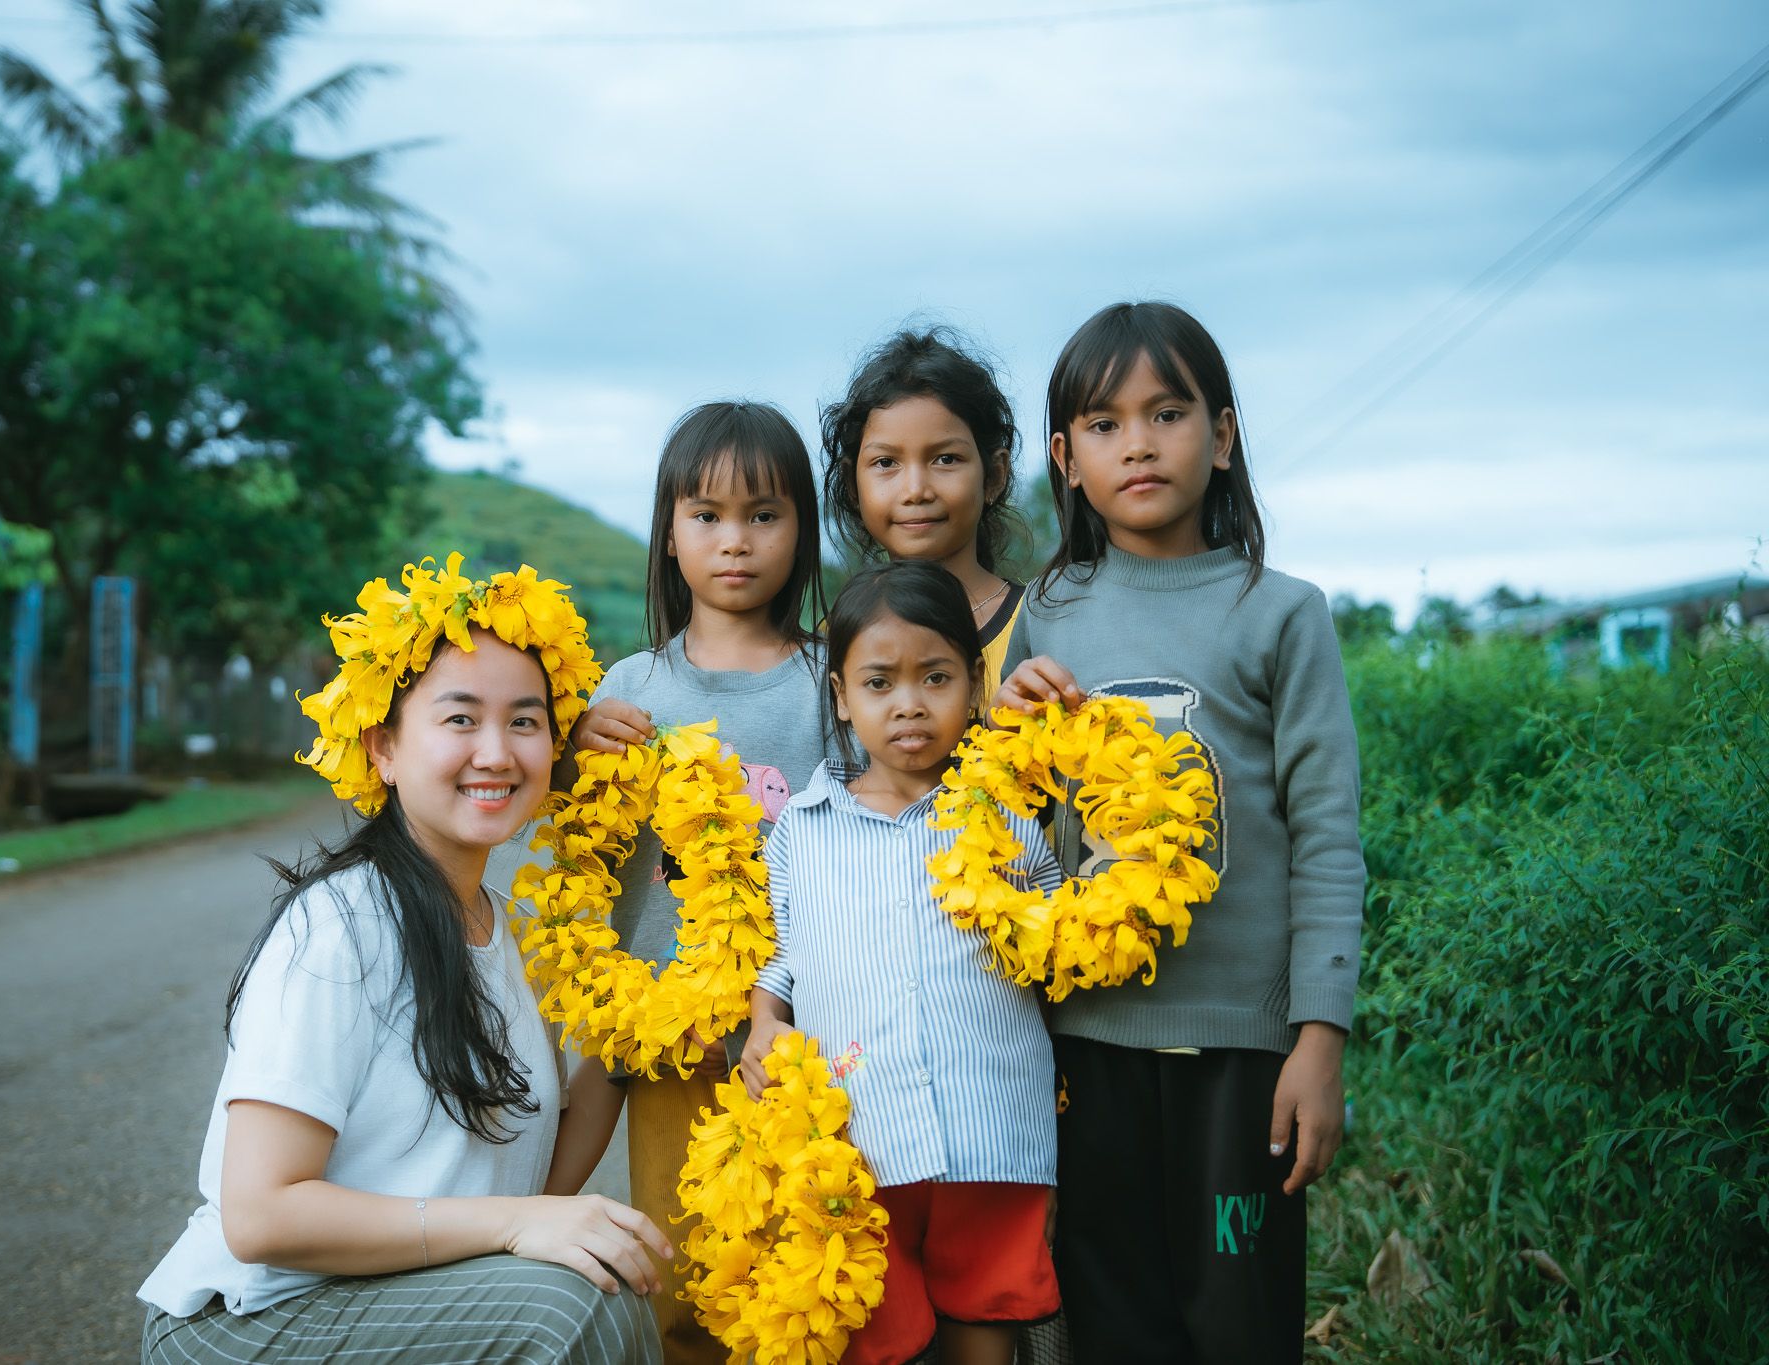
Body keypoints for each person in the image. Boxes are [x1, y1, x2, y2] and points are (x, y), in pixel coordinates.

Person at [137, 560, 666, 1365]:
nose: (496, 752)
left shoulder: (516, 931)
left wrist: (649, 1025)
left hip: (402, 1297)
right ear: (382, 746)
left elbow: (530, 1188)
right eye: (460, 719)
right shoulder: (340, 926)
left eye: (527, 721)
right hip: (250, 1321)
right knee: (569, 1310)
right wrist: (519, 1224)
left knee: (598, 1280)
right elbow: (261, 1214)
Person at [994, 300, 1366, 1365]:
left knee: (1238, 1324)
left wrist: (1318, 1038)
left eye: (1166, 413)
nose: (1139, 444)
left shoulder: (1279, 612)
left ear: (1224, 434)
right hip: (1087, 1046)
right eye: (1104, 425)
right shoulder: (1049, 611)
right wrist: (1009, 729)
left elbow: (1325, 836)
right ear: (1065, 458)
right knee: (1115, 1325)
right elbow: (1012, 827)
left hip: (1241, 1053)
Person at [742, 560, 1064, 1365]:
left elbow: (1060, 939)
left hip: (992, 1125)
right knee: (870, 1329)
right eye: (879, 682)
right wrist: (761, 1018)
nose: (910, 703)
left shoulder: (1006, 822)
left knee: (985, 1314)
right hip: (861, 1132)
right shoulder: (804, 831)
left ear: (975, 688)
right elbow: (786, 954)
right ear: (843, 699)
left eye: (936, 677)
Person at [561, 400, 829, 1362]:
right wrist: (569, 748)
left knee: (805, 1279)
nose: (736, 540)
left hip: (806, 1035)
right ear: (669, 534)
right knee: (685, 1290)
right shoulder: (630, 687)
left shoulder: (833, 683)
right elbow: (569, 828)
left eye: (764, 514)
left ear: (801, 530)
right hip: (670, 1043)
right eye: (706, 515)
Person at [820, 326, 1031, 686]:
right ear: (852, 485)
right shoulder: (830, 643)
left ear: (994, 475)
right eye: (886, 463)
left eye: (945, 459)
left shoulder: (1039, 624)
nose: (915, 490)